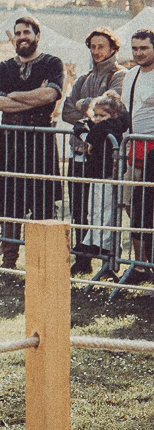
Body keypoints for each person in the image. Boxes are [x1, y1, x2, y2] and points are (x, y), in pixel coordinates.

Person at [0, 17, 64, 269]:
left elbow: (51, 94)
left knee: (42, 201)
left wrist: (16, 95)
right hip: (11, 142)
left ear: (37, 35)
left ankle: (43, 260)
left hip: (40, 141)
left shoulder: (52, 63)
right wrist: (35, 98)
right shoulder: (4, 67)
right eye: (18, 33)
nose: (22, 36)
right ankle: (9, 260)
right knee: (11, 202)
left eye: (27, 32)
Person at [63, 29, 127, 274]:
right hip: (79, 151)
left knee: (106, 209)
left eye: (102, 46)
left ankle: (109, 262)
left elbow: (113, 107)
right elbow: (68, 112)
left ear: (113, 48)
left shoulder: (119, 75)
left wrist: (85, 106)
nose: (97, 51)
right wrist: (92, 108)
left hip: (104, 154)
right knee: (80, 207)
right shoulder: (84, 77)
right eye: (93, 46)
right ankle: (82, 258)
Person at [70, 92, 128, 268]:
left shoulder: (112, 126)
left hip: (108, 176)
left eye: (102, 115)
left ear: (114, 115)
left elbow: (92, 135)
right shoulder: (101, 125)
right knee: (94, 210)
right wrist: (85, 127)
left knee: (106, 211)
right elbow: (83, 126)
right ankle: (92, 241)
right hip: (97, 175)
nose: (97, 119)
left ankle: (105, 244)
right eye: (95, 115)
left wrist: (84, 134)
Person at [120, 28, 154, 279]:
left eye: (144, 48)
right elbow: (124, 111)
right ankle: (141, 265)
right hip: (134, 150)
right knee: (132, 205)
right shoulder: (130, 75)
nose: (139, 53)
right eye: (135, 48)